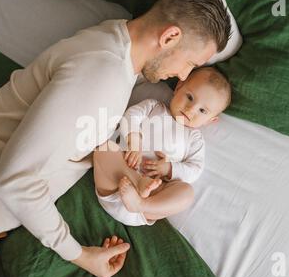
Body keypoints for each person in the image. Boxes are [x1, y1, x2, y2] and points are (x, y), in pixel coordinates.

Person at [0, 0, 232, 277]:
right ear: (170, 36)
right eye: (190, 62)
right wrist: (79, 254)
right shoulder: (102, 76)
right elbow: (14, 181)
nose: (185, 76)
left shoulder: (115, 45)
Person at [93, 67, 231, 226]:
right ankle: (138, 183)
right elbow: (131, 116)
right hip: (116, 185)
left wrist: (168, 168)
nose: (190, 109)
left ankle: (140, 203)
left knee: (186, 192)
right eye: (190, 97)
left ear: (210, 120)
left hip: (149, 203)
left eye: (202, 110)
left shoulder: (194, 139)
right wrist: (134, 144)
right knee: (104, 148)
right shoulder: (153, 107)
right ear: (179, 87)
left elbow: (195, 169)